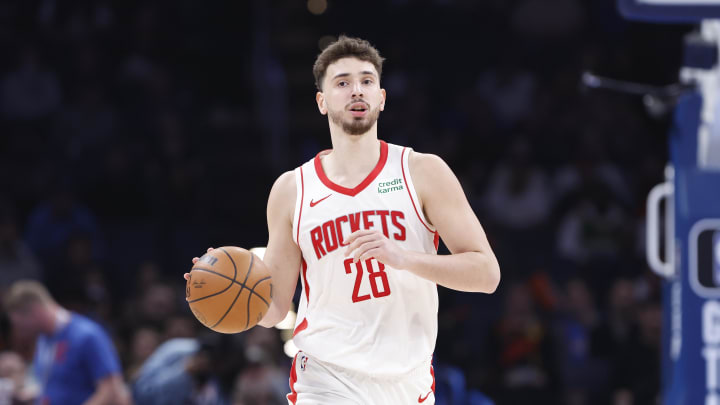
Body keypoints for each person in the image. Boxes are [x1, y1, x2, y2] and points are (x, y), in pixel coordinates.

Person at [188, 35, 501, 405]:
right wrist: (227, 281)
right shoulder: (292, 189)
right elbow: (272, 310)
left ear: (381, 98)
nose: (357, 90)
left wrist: (404, 258)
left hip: (407, 380)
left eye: (367, 81)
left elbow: (486, 274)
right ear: (322, 102)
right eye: (342, 82)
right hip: (325, 377)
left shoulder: (422, 171)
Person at [4, 280, 131, 405]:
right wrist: (30, 395)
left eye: (21, 326)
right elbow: (57, 386)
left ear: (35, 311)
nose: (19, 332)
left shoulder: (86, 335)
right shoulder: (43, 340)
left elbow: (111, 389)